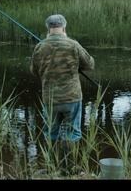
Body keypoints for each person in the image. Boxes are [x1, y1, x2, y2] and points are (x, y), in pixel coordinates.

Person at [30, 14, 94, 173]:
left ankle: (51, 167)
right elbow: (90, 64)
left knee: (51, 131)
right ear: (64, 28)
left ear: (48, 28)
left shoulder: (40, 47)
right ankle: (69, 167)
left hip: (50, 98)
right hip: (71, 97)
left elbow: (33, 71)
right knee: (72, 132)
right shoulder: (73, 45)